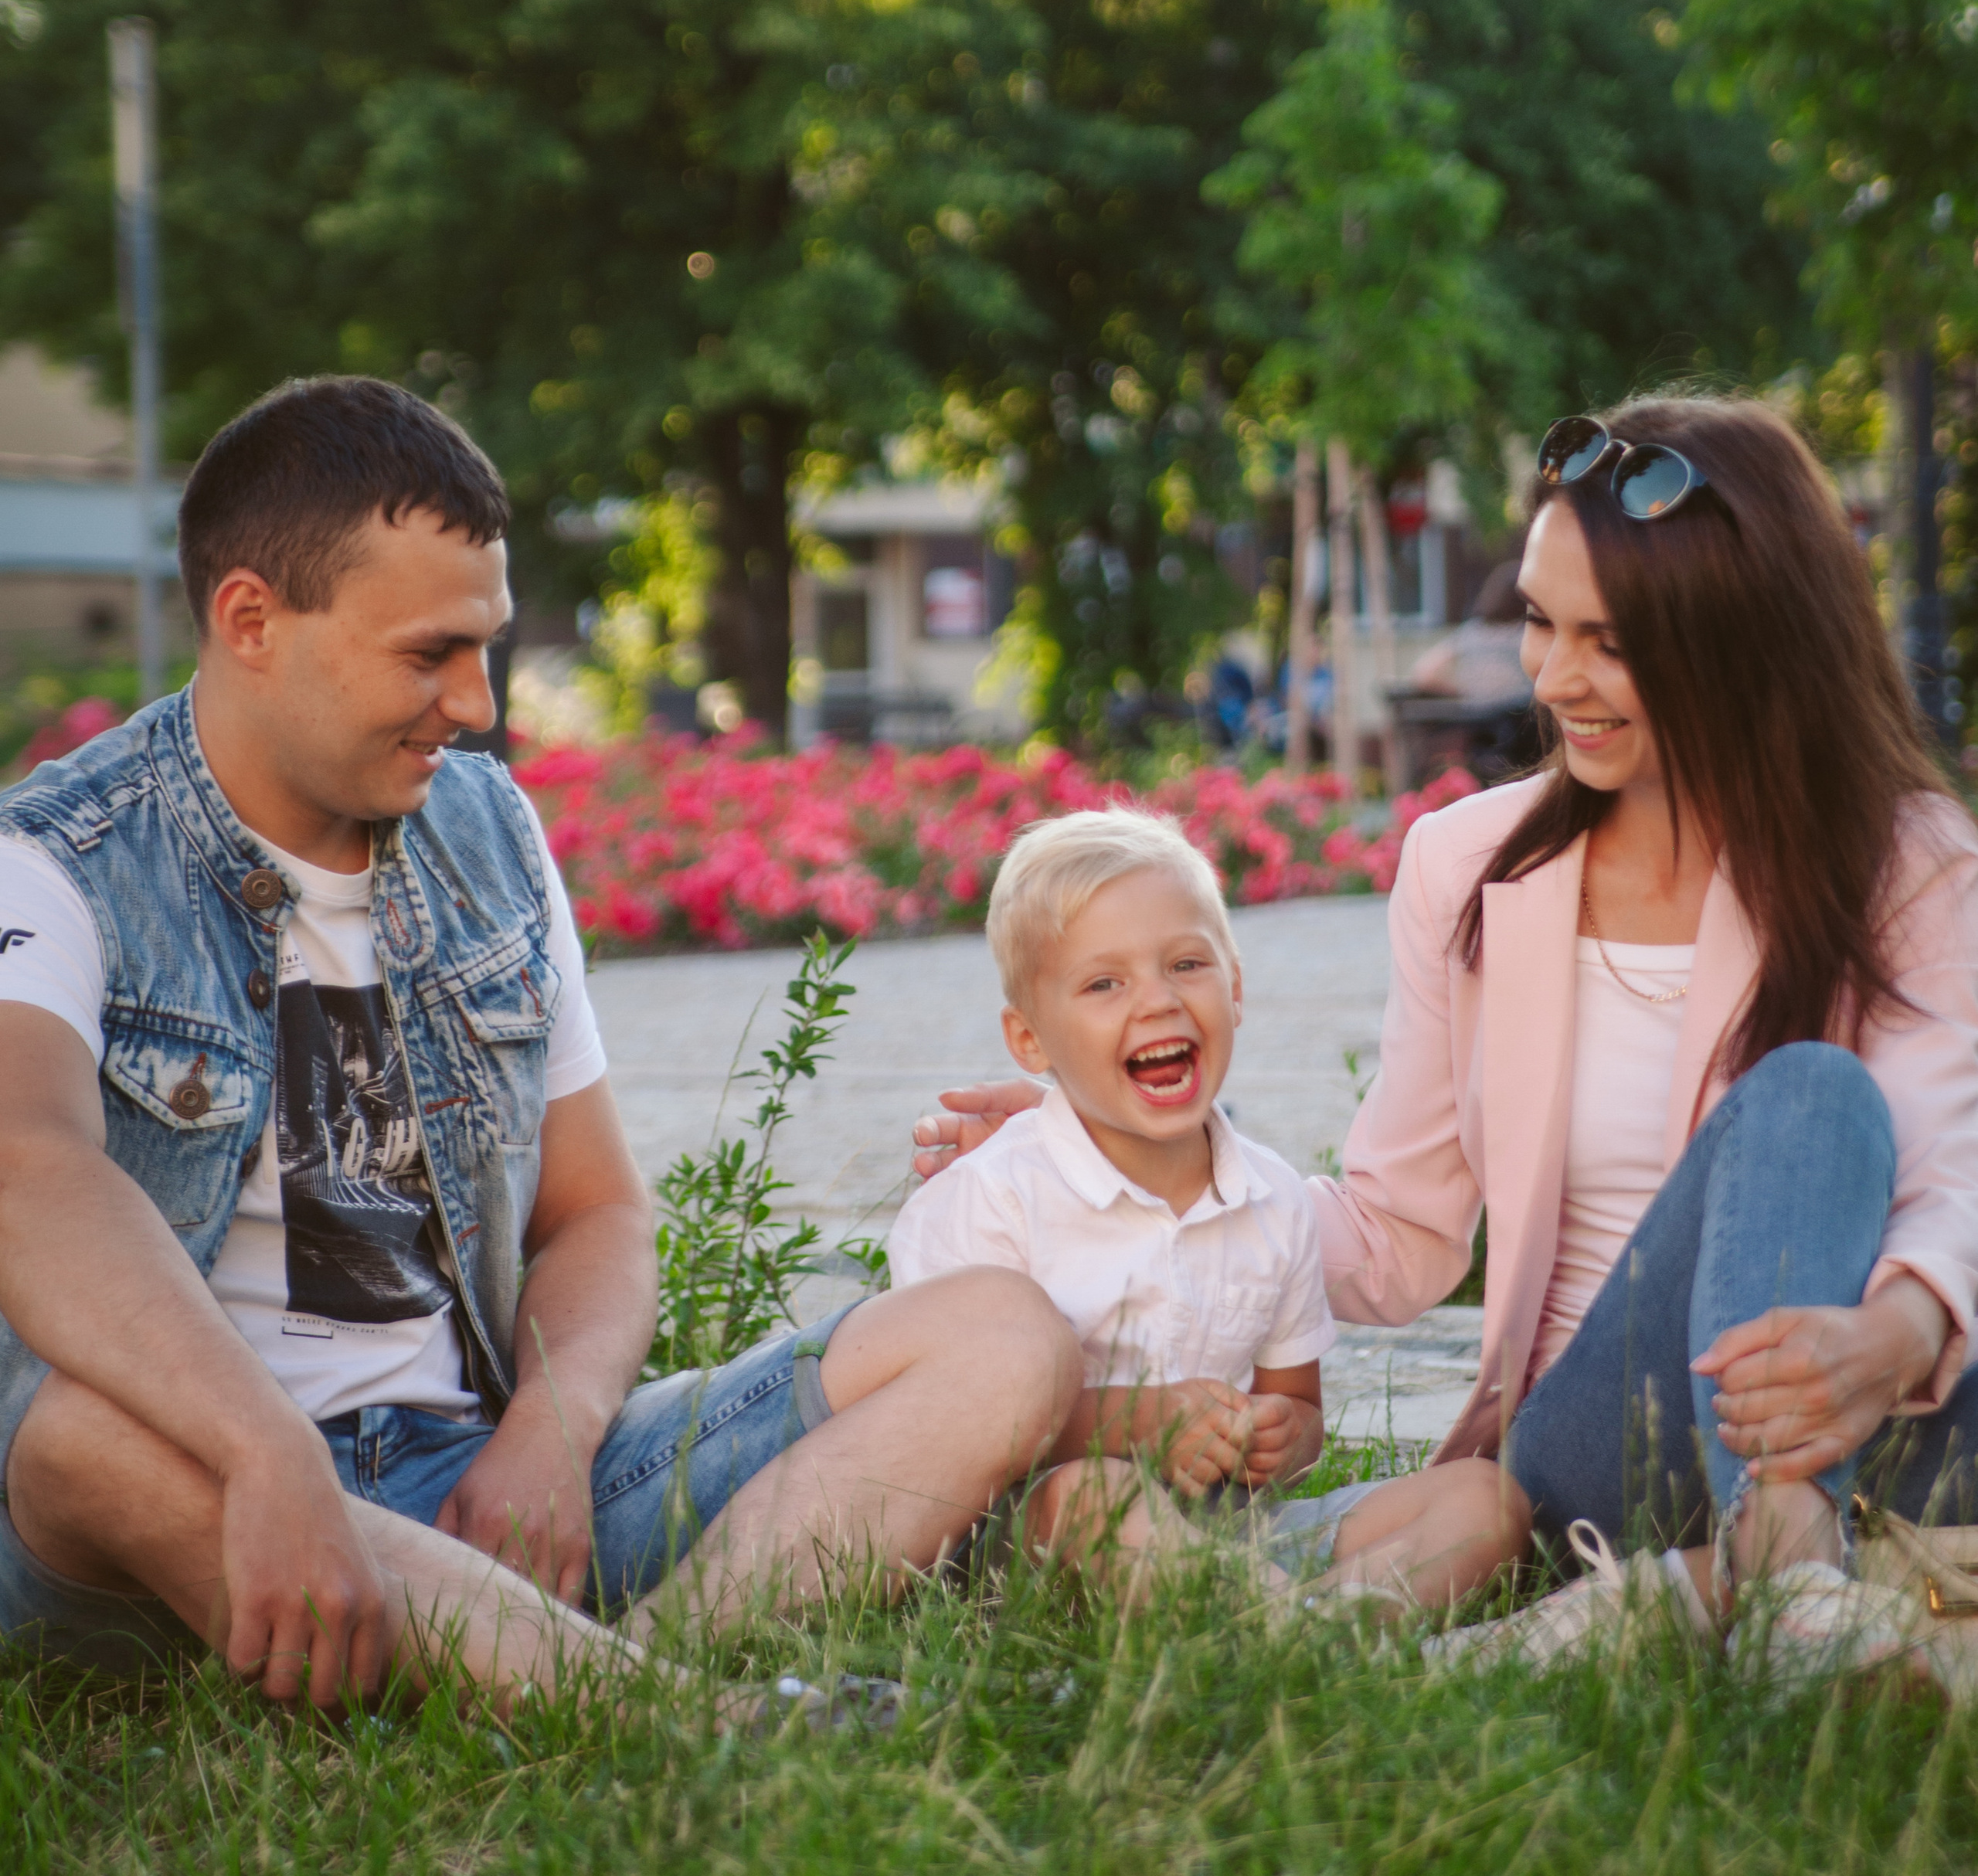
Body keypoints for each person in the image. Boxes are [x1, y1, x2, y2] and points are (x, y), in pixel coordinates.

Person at [0, 378, 1079, 1714]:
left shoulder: (491, 833)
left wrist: (552, 1440)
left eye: (489, 647)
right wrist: (265, 1449)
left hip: (476, 1481)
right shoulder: (54, 861)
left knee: (1004, 1335)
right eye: (430, 654)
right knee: (72, 1439)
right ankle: (682, 1721)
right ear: (251, 621)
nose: (479, 701)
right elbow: (31, 1174)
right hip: (197, 1507)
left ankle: (576, 1675)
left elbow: (600, 1213)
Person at [919, 397, 1978, 1681]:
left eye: (1610, 641)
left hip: (1876, 1396)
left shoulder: (1913, 867)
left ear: (1741, 641)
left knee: (1818, 1109)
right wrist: (1114, 1165)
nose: (1551, 678)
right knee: (1812, 1089)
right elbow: (1400, 1235)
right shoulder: (1467, 868)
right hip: (1598, 1455)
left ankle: (1689, 1601)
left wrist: (1900, 1339)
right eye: (1540, 621)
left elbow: (1953, 1176)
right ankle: (1786, 1574)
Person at [888, 809, 1334, 1582]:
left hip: (1227, 1522)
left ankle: (1289, 1614)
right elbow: (935, 1433)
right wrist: (1146, 1422)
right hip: (1031, 1529)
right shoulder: (990, 1201)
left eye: (1187, 965)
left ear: (1234, 987)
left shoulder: (1274, 1198)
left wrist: (1280, 1437)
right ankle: (1300, 1632)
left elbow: (1299, 1405)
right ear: (1029, 1040)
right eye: (1103, 982)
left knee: (1474, 1502)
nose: (1159, 1001)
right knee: (1099, 1496)